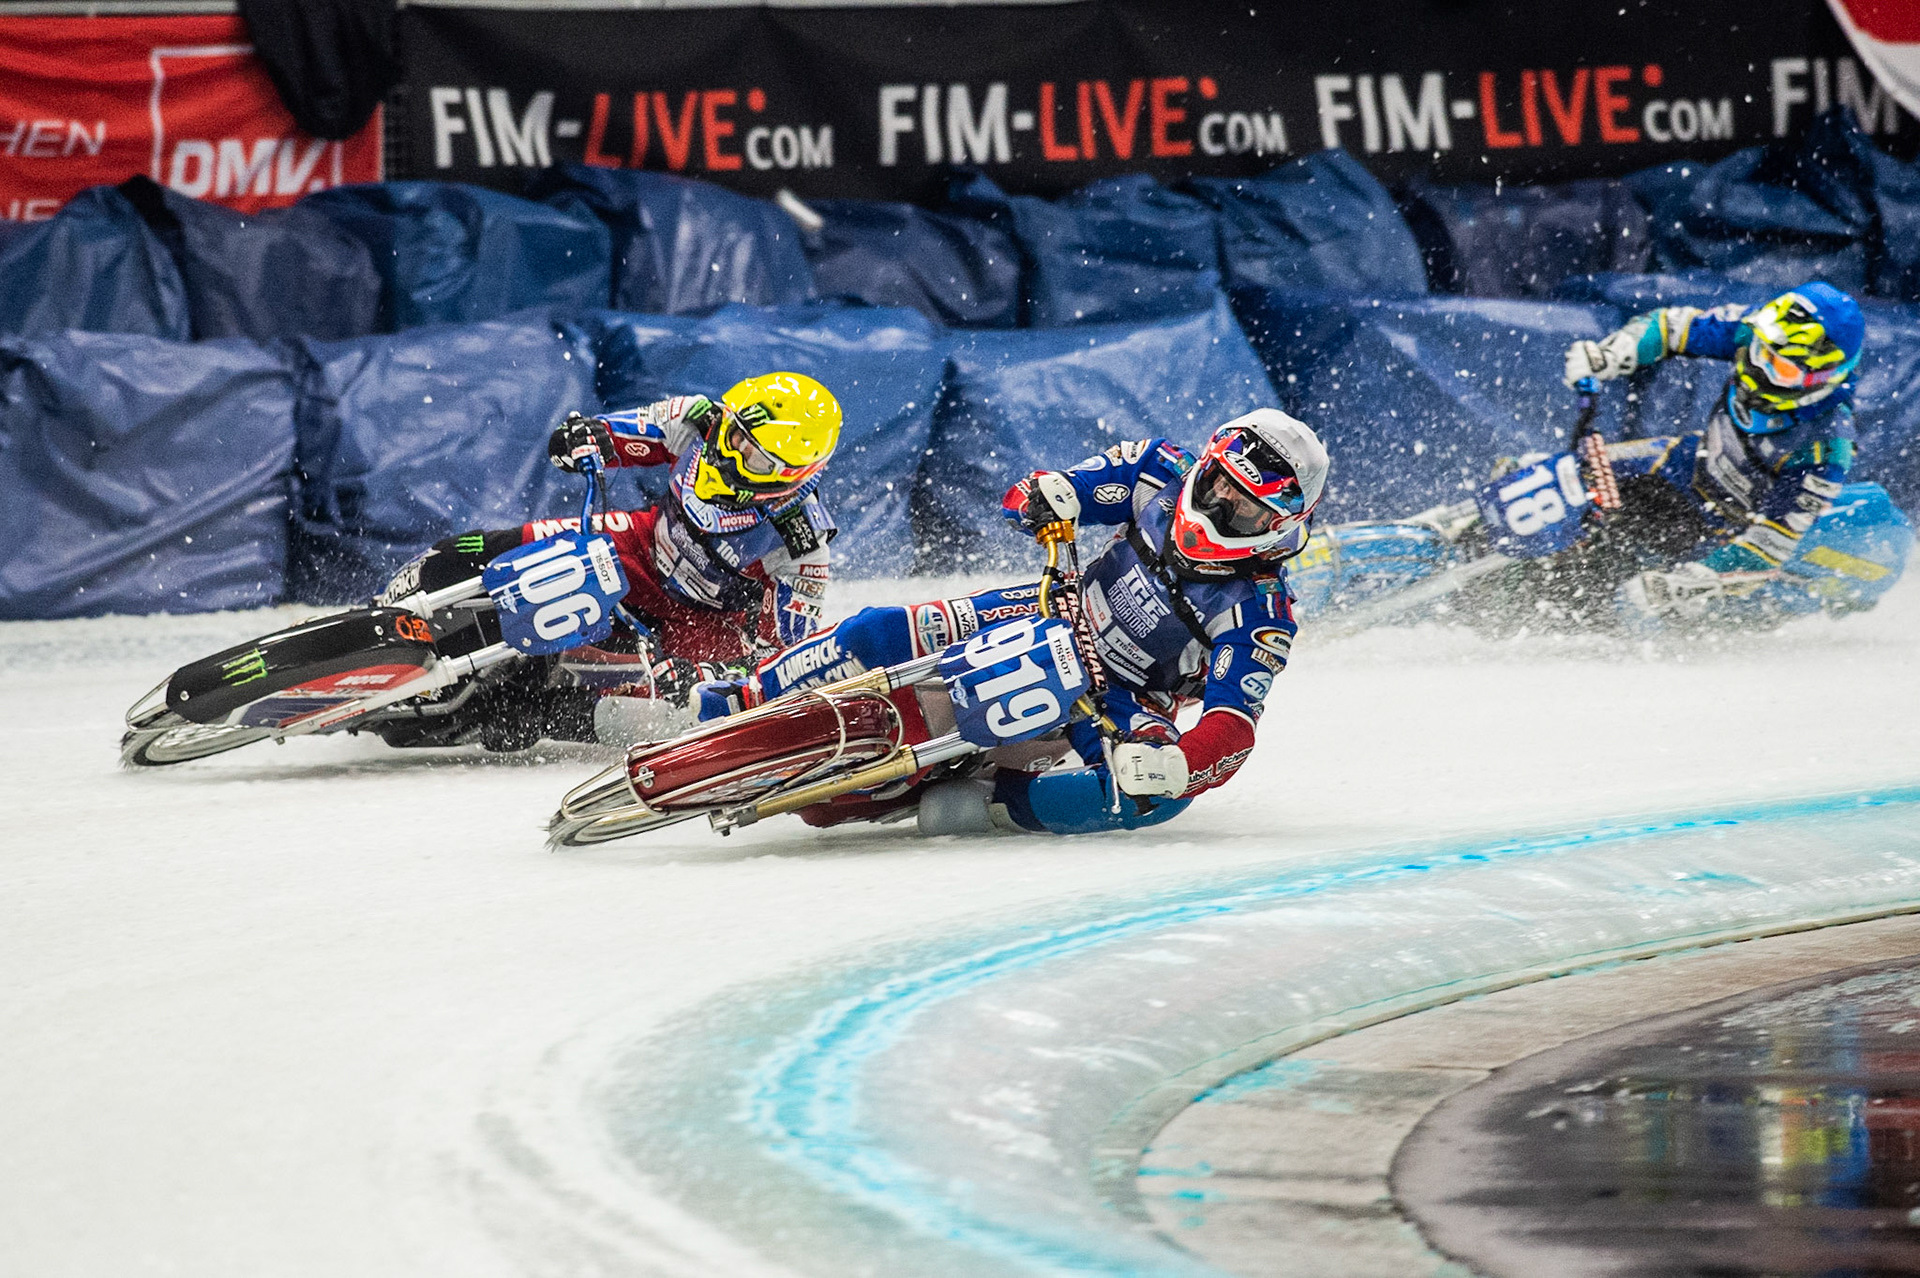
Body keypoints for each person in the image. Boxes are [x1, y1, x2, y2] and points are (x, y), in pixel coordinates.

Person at [700, 407, 1328, 836]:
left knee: (1152, 801)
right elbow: (1053, 488)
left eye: (1243, 510)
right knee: (878, 630)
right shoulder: (1157, 467)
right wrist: (1044, 497)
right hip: (1050, 605)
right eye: (1218, 485)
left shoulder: (1261, 612)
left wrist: (1181, 765)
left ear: (1277, 526)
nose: (1216, 507)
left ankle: (999, 803)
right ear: (1208, 464)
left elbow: (1230, 726)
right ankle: (750, 692)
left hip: (1125, 698)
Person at [373, 372, 841, 750]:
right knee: (472, 550)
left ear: (790, 475)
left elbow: (783, 663)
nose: (728, 452)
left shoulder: (801, 546)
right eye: (734, 433)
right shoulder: (701, 419)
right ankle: (379, 618)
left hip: (698, 629)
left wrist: (708, 674)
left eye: (753, 457)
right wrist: (585, 438)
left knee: (677, 714)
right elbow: (623, 431)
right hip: (640, 547)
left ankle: (540, 715)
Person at [1561, 282, 1864, 620]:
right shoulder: (1755, 328)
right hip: (1687, 464)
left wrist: (1691, 582)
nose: (1760, 368)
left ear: (1824, 377)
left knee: (1625, 607)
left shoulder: (1826, 446)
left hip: (1728, 535)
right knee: (1563, 478)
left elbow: (1771, 545)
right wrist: (1613, 353)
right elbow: (1672, 327)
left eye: (1783, 368)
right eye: (1762, 352)